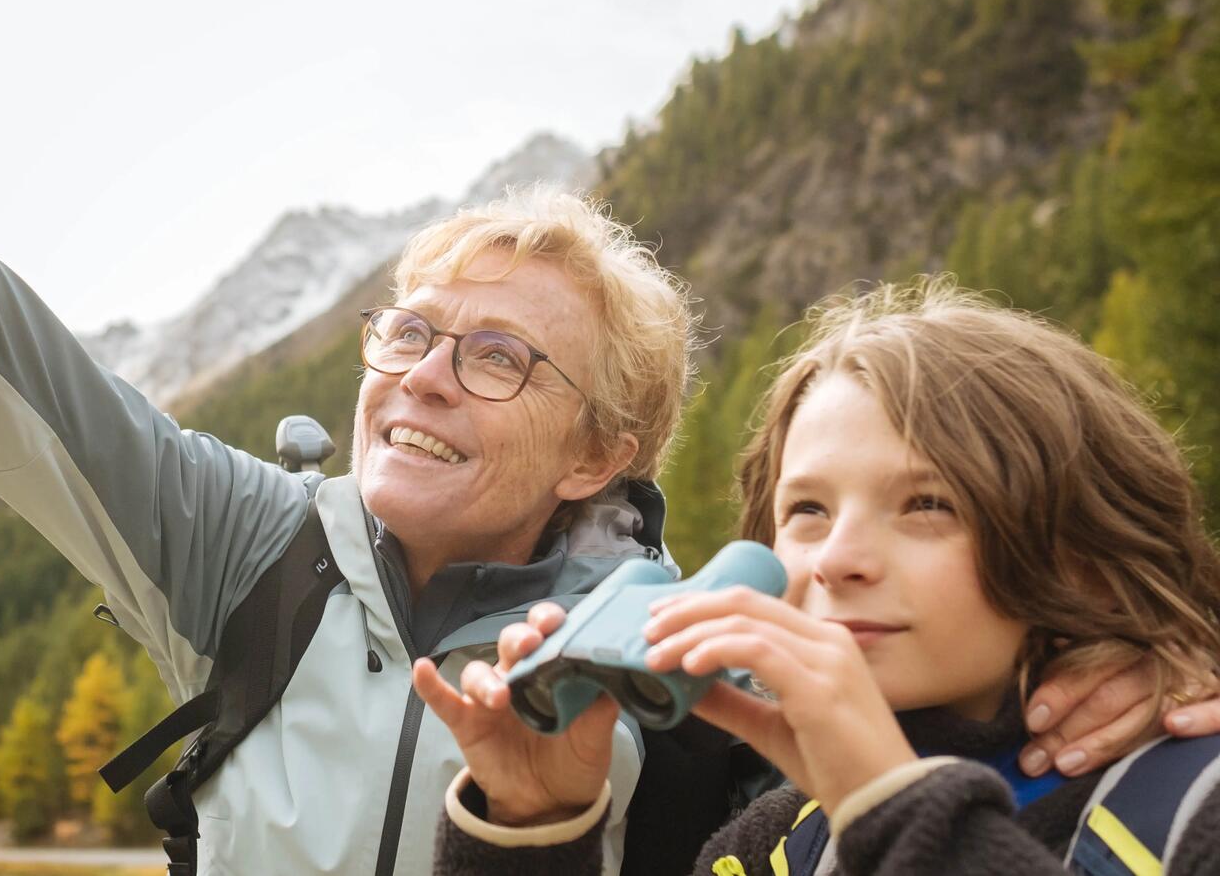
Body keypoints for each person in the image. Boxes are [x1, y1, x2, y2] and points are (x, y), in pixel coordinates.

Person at [0, 0, 1212, 874]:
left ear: (608, 441)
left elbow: (987, 635)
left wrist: (1155, 650)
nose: (421, 376)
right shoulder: (250, 549)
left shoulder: (695, 649)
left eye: (498, 354)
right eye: (408, 331)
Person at [421, 280, 1220, 874]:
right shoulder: (770, 846)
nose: (839, 557)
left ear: (1078, 545)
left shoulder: (1193, 802)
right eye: (806, 509)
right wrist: (534, 827)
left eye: (928, 503)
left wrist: (894, 808)